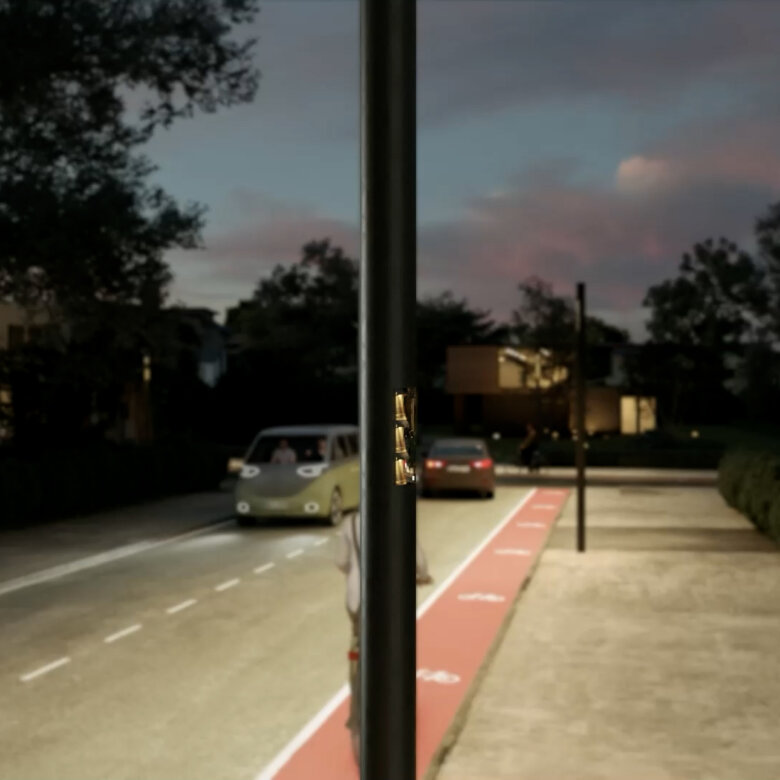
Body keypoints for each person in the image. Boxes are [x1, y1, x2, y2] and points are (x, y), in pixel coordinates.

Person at [335, 512, 433, 764]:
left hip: (358, 600)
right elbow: (418, 559)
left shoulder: (350, 523)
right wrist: (421, 573)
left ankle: (358, 707)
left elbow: (341, 561)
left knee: (358, 646)